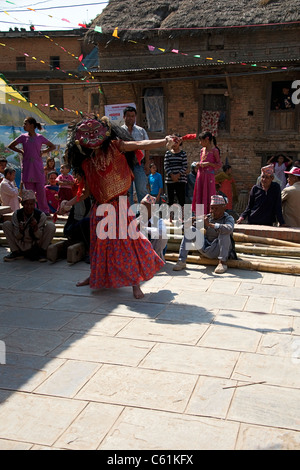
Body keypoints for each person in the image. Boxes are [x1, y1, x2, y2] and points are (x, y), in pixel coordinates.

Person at [63, 116, 175, 299]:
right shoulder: (86, 164)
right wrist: (68, 203)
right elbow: (85, 193)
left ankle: (135, 284)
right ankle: (94, 276)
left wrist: (164, 141)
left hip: (120, 206)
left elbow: (141, 143)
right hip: (99, 210)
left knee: (127, 246)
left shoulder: (117, 146)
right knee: (98, 247)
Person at [173, 194, 236, 274]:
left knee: (224, 233)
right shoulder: (208, 217)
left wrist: (210, 225)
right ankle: (181, 261)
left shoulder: (228, 218)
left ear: (223, 208)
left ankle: (222, 263)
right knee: (191, 230)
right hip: (206, 247)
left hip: (219, 250)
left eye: (216, 208)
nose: (213, 211)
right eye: (212, 208)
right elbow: (188, 230)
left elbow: (229, 229)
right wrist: (188, 224)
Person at [7, 117, 56, 215]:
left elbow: (52, 146)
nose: (24, 125)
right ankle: (31, 211)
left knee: (41, 192)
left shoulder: (40, 137)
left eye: (26, 124)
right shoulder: (22, 137)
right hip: (27, 168)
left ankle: (44, 211)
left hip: (38, 168)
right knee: (29, 193)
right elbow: (11, 146)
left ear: (32, 125)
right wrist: (21, 151)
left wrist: (43, 152)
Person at [2, 189, 56, 262]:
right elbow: (17, 235)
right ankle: (16, 252)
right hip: (21, 242)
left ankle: (41, 252)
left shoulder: (41, 215)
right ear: (23, 204)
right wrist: (21, 230)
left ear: (34, 204)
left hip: (36, 243)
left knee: (51, 226)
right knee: (6, 224)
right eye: (26, 204)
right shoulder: (17, 214)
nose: (29, 207)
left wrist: (35, 228)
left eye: (31, 204)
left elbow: (39, 236)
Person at [121, 106, 149, 205]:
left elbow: (147, 147)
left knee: (142, 190)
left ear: (135, 117)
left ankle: (147, 216)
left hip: (139, 164)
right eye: (128, 116)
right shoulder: (119, 132)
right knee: (127, 193)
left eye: (132, 116)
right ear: (124, 117)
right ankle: (130, 217)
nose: (130, 118)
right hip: (124, 167)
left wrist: (147, 163)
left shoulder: (141, 131)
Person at [63, 172, 92, 263]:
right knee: (86, 222)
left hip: (87, 226)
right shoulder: (80, 197)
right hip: (74, 228)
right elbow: (79, 218)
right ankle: (89, 252)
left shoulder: (93, 196)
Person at [192, 131, 222, 216]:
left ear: (206, 140)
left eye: (201, 140)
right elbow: (202, 161)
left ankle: (209, 215)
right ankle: (199, 215)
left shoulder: (215, 151)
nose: (200, 143)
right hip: (200, 175)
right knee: (200, 194)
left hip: (209, 176)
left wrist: (208, 164)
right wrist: (198, 164)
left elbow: (219, 164)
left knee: (208, 195)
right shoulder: (202, 150)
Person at [164, 134, 187, 222]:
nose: (174, 144)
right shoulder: (167, 154)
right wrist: (172, 175)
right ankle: (170, 217)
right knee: (170, 199)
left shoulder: (183, 154)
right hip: (170, 180)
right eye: (173, 142)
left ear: (179, 143)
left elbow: (185, 166)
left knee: (181, 199)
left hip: (181, 180)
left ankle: (182, 217)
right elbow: (166, 166)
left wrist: (178, 175)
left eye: (176, 142)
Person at [139, 194, 167, 261]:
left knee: (161, 235)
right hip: (142, 249)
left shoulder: (158, 221)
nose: (141, 210)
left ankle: (155, 259)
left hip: (156, 248)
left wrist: (144, 229)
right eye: (141, 207)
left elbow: (161, 232)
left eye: (144, 208)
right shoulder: (138, 220)